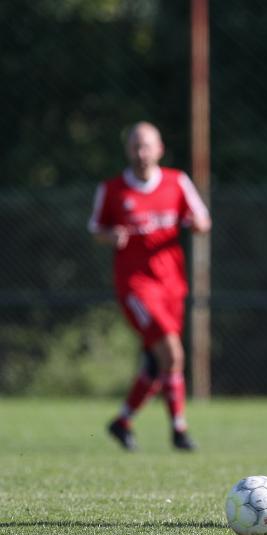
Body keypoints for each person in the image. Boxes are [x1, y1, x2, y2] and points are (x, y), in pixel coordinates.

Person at [89, 122, 211, 451]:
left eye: (147, 146)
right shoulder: (113, 189)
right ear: (128, 151)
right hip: (136, 286)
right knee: (172, 353)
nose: (142, 153)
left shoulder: (177, 182)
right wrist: (110, 236)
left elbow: (202, 219)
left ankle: (122, 421)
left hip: (172, 283)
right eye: (135, 147)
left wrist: (198, 225)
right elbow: (96, 228)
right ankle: (179, 432)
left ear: (159, 149)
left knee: (159, 363)